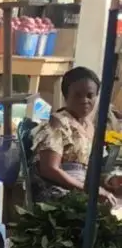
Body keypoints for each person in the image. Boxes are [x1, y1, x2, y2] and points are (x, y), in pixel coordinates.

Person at [31, 66, 119, 206]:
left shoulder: (90, 126)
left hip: (82, 190)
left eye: (90, 95)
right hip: (58, 194)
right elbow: (49, 169)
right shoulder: (58, 123)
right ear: (66, 96)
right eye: (77, 95)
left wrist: (110, 181)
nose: (84, 100)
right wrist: (90, 191)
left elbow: (88, 171)